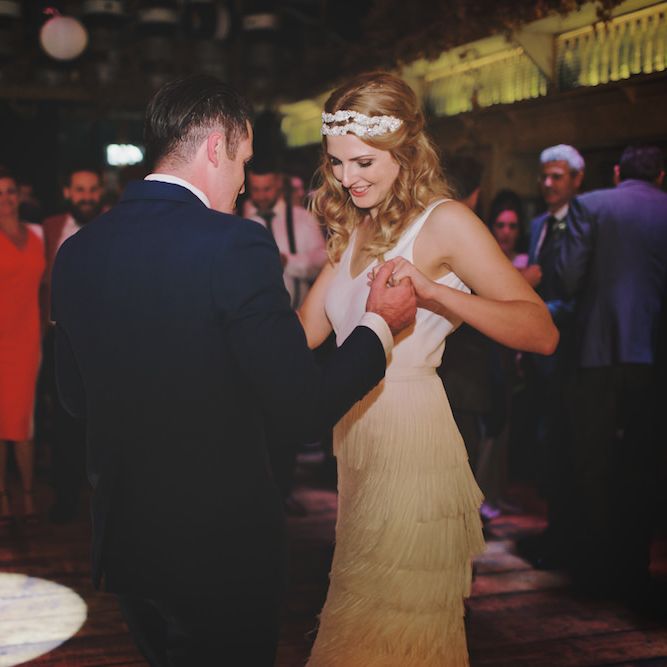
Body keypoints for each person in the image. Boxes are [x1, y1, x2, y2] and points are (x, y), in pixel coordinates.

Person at [51, 74, 416, 667]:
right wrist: (380, 324)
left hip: (128, 541)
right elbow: (302, 409)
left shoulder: (77, 252)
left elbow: (74, 398)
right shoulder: (235, 245)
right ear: (215, 147)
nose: (244, 182)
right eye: (243, 161)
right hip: (219, 547)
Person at [298, 71, 558, 666]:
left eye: (364, 162)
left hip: (411, 437)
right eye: (337, 162)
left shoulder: (445, 222)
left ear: (404, 151)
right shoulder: (355, 222)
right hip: (356, 434)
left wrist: (436, 293)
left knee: (400, 624)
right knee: (359, 613)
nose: (347, 177)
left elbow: (541, 331)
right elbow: (304, 332)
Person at [556, 145, 667, 605]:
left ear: (618, 172)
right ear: (660, 176)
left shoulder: (591, 206)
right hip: (654, 355)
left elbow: (568, 278)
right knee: (644, 463)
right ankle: (634, 568)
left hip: (597, 350)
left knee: (592, 463)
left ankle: (593, 571)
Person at [516, 144, 588, 570]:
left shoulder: (587, 223)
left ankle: (570, 536)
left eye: (556, 176)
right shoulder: (538, 224)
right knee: (546, 444)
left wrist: (538, 311)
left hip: (573, 353)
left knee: (569, 446)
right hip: (540, 355)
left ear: (577, 179)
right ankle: (555, 532)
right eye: (543, 175)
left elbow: (580, 294)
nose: (547, 183)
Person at [40, 166, 104, 523]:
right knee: (64, 420)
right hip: (60, 337)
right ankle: (65, 499)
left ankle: (107, 499)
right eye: (80, 190)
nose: (87, 197)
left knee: (105, 420)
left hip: (104, 340)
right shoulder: (50, 228)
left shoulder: (115, 225)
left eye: (92, 189)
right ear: (68, 192)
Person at [0, 166, 45, 524]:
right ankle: (2, 495)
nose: (5, 199)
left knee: (24, 420)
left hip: (28, 339)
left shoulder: (37, 233)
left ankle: (28, 494)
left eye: (10, 191)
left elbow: (46, 289)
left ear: (20, 195)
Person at [244, 164, 327, 309]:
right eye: (255, 190)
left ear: (278, 184)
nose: (261, 196)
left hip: (301, 312)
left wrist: (287, 261)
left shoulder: (303, 217)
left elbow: (322, 259)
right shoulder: (243, 222)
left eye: (267, 189)